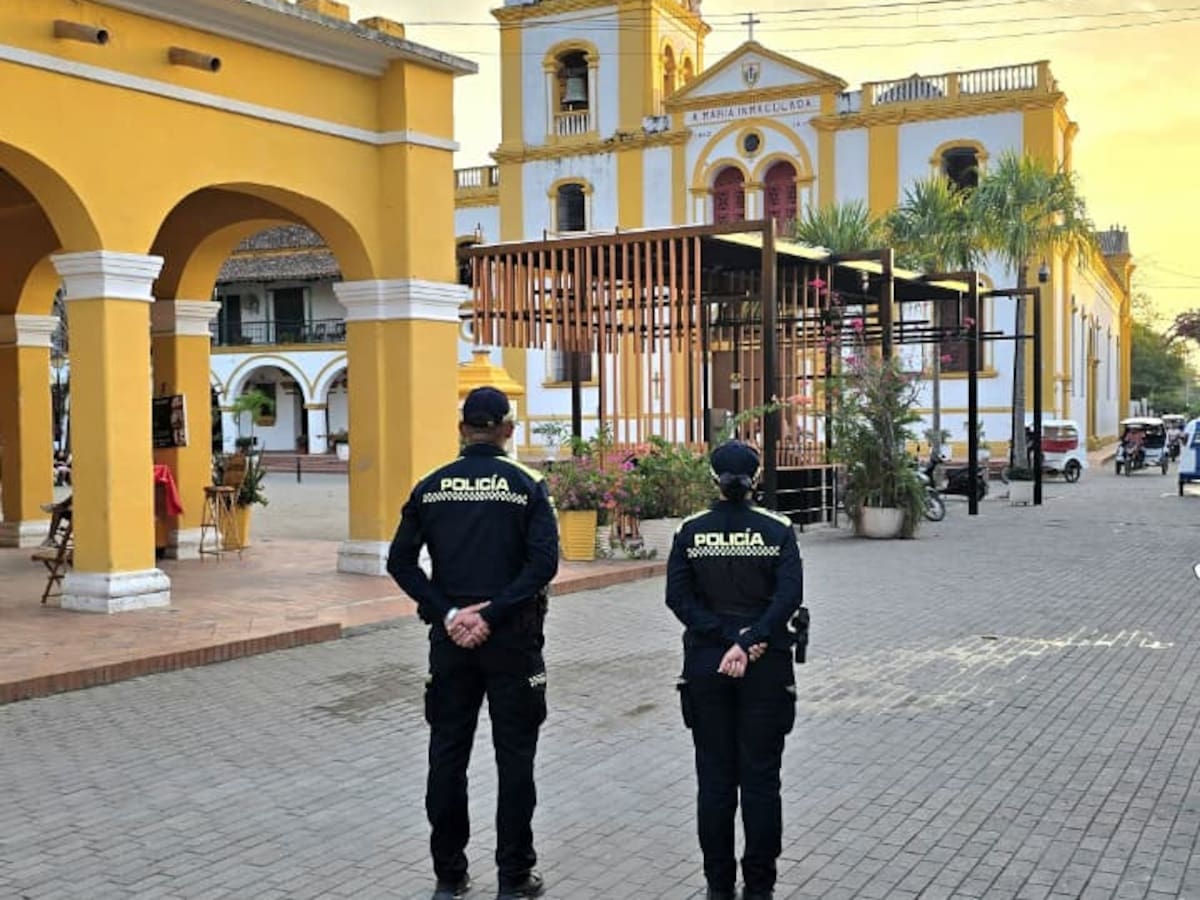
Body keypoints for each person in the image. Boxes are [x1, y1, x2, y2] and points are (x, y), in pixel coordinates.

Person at [387, 386, 560, 900]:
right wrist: (495, 611)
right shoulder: (527, 483)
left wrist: (449, 613)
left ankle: (449, 876)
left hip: (450, 640)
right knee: (515, 760)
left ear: (462, 429)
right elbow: (543, 564)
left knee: (446, 757)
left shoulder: (430, 486)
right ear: (507, 429)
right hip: (513, 639)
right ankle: (513, 878)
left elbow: (400, 562)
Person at [666, 441, 806, 900]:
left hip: (708, 664)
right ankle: (760, 889)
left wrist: (725, 641)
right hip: (766, 664)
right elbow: (786, 599)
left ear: (713, 479)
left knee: (715, 781)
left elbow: (678, 599)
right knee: (762, 780)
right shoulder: (779, 529)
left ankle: (718, 888)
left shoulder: (690, 531)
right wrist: (748, 641)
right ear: (758, 478)